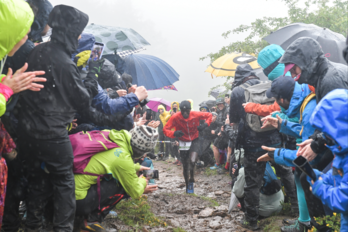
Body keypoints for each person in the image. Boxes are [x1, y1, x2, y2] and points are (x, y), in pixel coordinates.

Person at [15, 5, 92, 230]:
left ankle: (33, 226)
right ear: (70, 33)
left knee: (36, 181)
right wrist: (89, 76)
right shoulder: (65, 63)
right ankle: (63, 228)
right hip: (52, 135)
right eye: (77, 32)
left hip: (27, 132)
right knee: (64, 182)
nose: (79, 37)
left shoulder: (37, 51)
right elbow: (83, 101)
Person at [257, 76, 331, 232]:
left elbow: (306, 156)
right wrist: (282, 124)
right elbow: (305, 131)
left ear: (283, 99)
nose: (276, 104)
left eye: (277, 100)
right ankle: (304, 221)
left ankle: (310, 225)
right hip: (325, 155)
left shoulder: (309, 109)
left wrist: (275, 154)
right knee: (300, 178)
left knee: (306, 180)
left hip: (326, 159)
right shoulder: (304, 101)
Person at [229, 64, 294, 230]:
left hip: (252, 144)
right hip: (275, 139)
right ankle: (296, 211)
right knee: (285, 173)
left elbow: (234, 120)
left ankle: (251, 220)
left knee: (253, 182)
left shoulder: (237, 92)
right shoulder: (268, 85)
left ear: (239, 77)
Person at [279, 37, 348, 166]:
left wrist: (316, 146)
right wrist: (313, 139)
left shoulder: (330, 80)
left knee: (314, 176)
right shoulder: (323, 77)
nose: (293, 75)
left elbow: (339, 122)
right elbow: (327, 119)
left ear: (305, 61)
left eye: (294, 69)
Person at [73, 126, 159, 231]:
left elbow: (109, 159)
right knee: (121, 185)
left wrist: (135, 167)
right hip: (77, 200)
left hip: (66, 189)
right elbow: (135, 191)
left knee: (117, 177)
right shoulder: (123, 158)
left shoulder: (113, 136)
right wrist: (143, 181)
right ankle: (91, 220)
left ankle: (82, 218)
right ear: (142, 151)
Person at [306, 89, 348, 232]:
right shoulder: (343, 151)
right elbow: (340, 174)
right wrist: (324, 177)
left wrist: (320, 188)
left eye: (328, 133)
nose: (326, 138)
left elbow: (343, 200)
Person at [163, 100, 212, 193]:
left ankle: (192, 177)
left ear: (190, 110)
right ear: (180, 110)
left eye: (187, 111)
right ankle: (187, 185)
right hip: (183, 141)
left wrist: (205, 124)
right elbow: (165, 129)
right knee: (185, 165)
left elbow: (209, 115)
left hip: (194, 139)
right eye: (183, 111)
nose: (185, 113)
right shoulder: (175, 117)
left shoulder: (195, 114)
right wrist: (174, 133)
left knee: (193, 161)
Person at [210, 98, 229, 170]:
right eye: (218, 104)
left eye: (220, 103)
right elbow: (219, 125)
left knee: (226, 148)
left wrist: (216, 123)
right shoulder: (219, 112)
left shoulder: (227, 111)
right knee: (217, 146)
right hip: (221, 132)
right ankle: (221, 164)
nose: (219, 105)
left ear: (224, 103)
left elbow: (225, 123)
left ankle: (222, 164)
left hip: (226, 133)